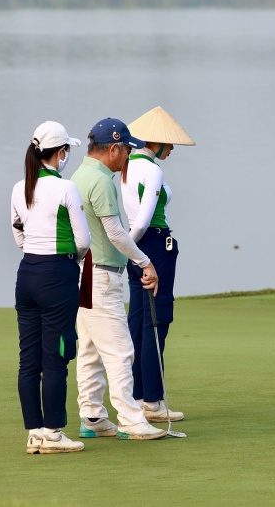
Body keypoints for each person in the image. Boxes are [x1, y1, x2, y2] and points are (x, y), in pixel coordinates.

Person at [71, 117, 167, 440]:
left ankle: (93, 416)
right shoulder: (101, 181)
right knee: (120, 350)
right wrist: (145, 261)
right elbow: (115, 232)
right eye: (126, 150)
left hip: (85, 273)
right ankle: (131, 420)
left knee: (90, 350)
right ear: (113, 149)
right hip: (102, 275)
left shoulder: (79, 175)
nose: (127, 156)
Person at [11, 121, 91, 454]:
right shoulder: (66, 188)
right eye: (66, 150)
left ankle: (35, 434)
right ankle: (54, 434)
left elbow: (18, 235)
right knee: (57, 356)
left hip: (27, 274)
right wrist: (70, 260)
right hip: (57, 276)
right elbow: (83, 241)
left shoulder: (20, 187)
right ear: (60, 153)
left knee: (29, 361)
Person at [121, 106, 195, 422]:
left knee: (138, 321)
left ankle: (138, 396)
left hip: (135, 246)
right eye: (169, 142)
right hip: (152, 246)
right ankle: (152, 401)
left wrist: (127, 250)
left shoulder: (126, 166)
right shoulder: (152, 171)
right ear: (156, 142)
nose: (172, 148)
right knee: (156, 321)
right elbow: (142, 221)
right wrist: (131, 249)